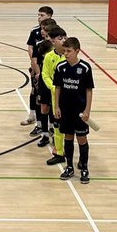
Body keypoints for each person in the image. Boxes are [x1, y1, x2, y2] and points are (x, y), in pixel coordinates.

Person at [52, 37, 95, 184]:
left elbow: (89, 90)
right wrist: (56, 106)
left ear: (77, 51)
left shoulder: (85, 68)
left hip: (80, 111)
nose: (66, 54)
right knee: (68, 138)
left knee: (82, 139)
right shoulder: (60, 67)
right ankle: (69, 167)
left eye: (69, 51)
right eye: (64, 51)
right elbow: (57, 88)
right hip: (65, 110)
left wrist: (87, 110)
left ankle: (84, 168)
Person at [40, 27, 68, 166]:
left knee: (70, 127)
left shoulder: (69, 56)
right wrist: (54, 88)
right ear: (52, 41)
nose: (63, 41)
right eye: (60, 38)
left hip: (69, 97)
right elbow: (45, 74)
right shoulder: (49, 57)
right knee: (57, 125)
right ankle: (59, 152)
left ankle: (74, 153)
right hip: (55, 97)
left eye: (65, 38)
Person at [23, 6, 53, 127]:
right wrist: (34, 66)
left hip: (49, 71)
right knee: (35, 92)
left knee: (48, 99)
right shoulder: (35, 31)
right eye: (38, 15)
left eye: (42, 15)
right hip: (36, 67)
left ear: (49, 16)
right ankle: (33, 117)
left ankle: (50, 126)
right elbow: (30, 48)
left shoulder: (56, 33)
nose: (39, 18)